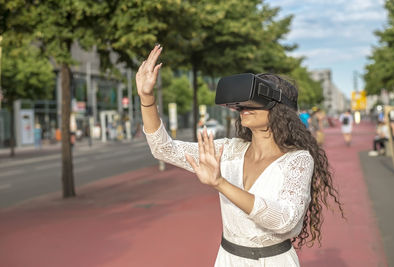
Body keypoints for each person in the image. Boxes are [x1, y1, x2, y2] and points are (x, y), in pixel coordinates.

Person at [136, 45, 344, 266]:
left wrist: (220, 183)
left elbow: (285, 220)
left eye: (252, 102)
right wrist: (146, 97)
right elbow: (163, 149)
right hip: (229, 260)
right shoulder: (229, 151)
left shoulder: (298, 159)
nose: (244, 107)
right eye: (241, 103)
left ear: (280, 109)